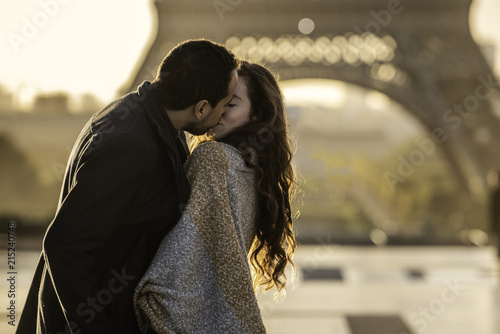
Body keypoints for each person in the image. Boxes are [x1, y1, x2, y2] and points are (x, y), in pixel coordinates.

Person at [17, 39, 238, 334]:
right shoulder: (130, 144)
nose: (224, 114)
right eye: (225, 104)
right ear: (201, 108)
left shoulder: (143, 118)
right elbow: (66, 246)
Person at [134, 61, 297, 334]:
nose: (217, 112)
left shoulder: (213, 158)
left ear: (257, 114)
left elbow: (178, 266)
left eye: (230, 105)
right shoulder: (254, 173)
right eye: (218, 102)